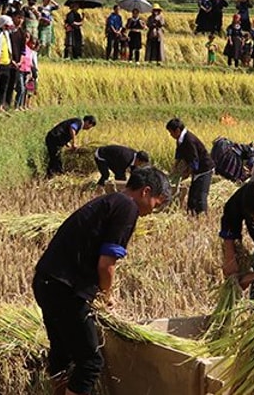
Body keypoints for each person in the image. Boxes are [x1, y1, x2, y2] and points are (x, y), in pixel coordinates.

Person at [34, 167, 171, 395]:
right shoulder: (127, 207)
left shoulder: (110, 201)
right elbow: (106, 264)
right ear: (146, 192)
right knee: (90, 363)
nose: (153, 211)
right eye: (157, 203)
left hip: (47, 282)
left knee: (62, 353)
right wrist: (106, 297)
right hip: (66, 289)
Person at [167, 118, 215, 214]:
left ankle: (202, 216)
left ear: (177, 130)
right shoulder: (180, 139)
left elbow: (194, 159)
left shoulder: (189, 140)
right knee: (192, 197)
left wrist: (187, 172)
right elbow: (179, 154)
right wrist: (174, 168)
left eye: (171, 132)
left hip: (204, 169)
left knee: (201, 195)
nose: (170, 135)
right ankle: (191, 213)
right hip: (197, 170)